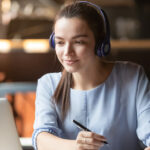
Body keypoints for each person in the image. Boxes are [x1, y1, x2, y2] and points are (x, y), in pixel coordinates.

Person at [32, 1, 150, 150]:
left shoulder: (132, 77)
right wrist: (76, 146)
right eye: (60, 42)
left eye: (79, 42)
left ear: (100, 43)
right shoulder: (48, 83)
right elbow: (41, 138)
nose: (67, 51)